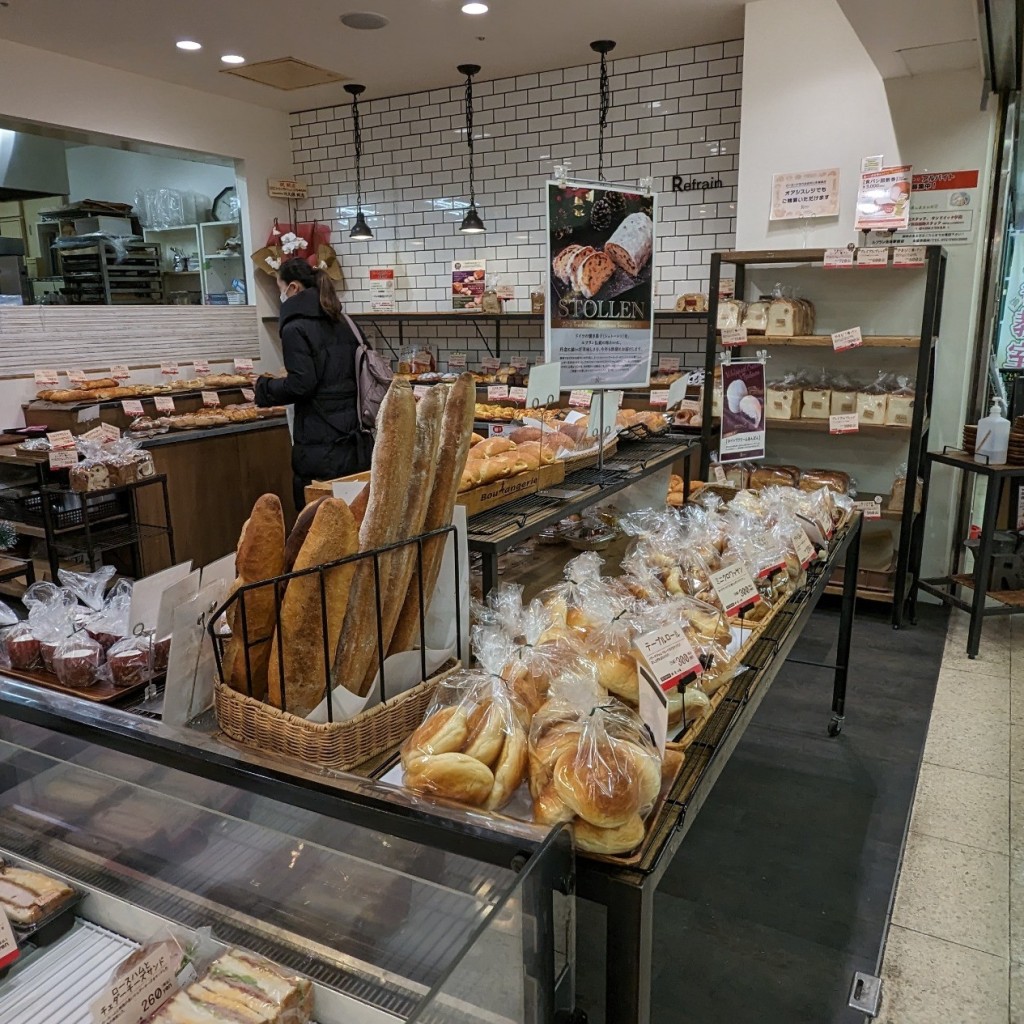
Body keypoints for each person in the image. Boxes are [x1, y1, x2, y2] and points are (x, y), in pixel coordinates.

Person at [255, 259, 371, 510]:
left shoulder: (295, 327)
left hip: (320, 440)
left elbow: (301, 384)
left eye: (280, 287)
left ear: (294, 288)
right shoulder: (344, 321)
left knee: (317, 521)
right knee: (355, 518)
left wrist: (264, 388)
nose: (280, 295)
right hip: (356, 440)